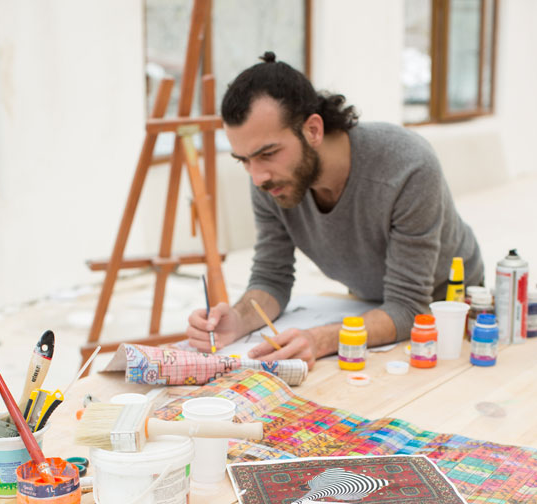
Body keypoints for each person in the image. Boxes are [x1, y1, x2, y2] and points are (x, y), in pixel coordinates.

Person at [187, 52, 484, 368]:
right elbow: (271, 277)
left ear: (313, 130)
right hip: (374, 303)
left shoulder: (407, 166)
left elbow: (409, 307)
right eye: (243, 160)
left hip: (453, 312)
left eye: (268, 154)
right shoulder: (269, 180)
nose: (257, 175)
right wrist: (238, 318)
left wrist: (321, 339)